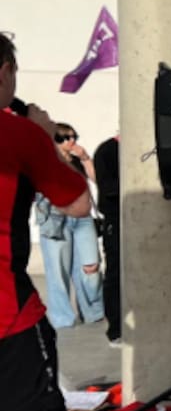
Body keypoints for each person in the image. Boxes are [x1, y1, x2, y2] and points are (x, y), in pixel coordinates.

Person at [0, 31, 142, 411]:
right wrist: (41, 134)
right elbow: (79, 201)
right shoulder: (15, 133)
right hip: (8, 320)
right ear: (5, 70)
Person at [34, 123, 104, 329]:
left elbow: (97, 180)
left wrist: (85, 158)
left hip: (82, 219)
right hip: (56, 220)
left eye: (73, 136)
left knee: (90, 267)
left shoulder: (76, 160)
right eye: (63, 138)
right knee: (58, 271)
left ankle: (93, 311)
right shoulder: (46, 160)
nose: (70, 141)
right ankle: (63, 318)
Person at [92, 136, 121, 346]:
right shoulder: (107, 150)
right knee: (115, 272)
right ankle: (116, 329)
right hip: (116, 219)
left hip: (139, 220)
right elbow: (108, 187)